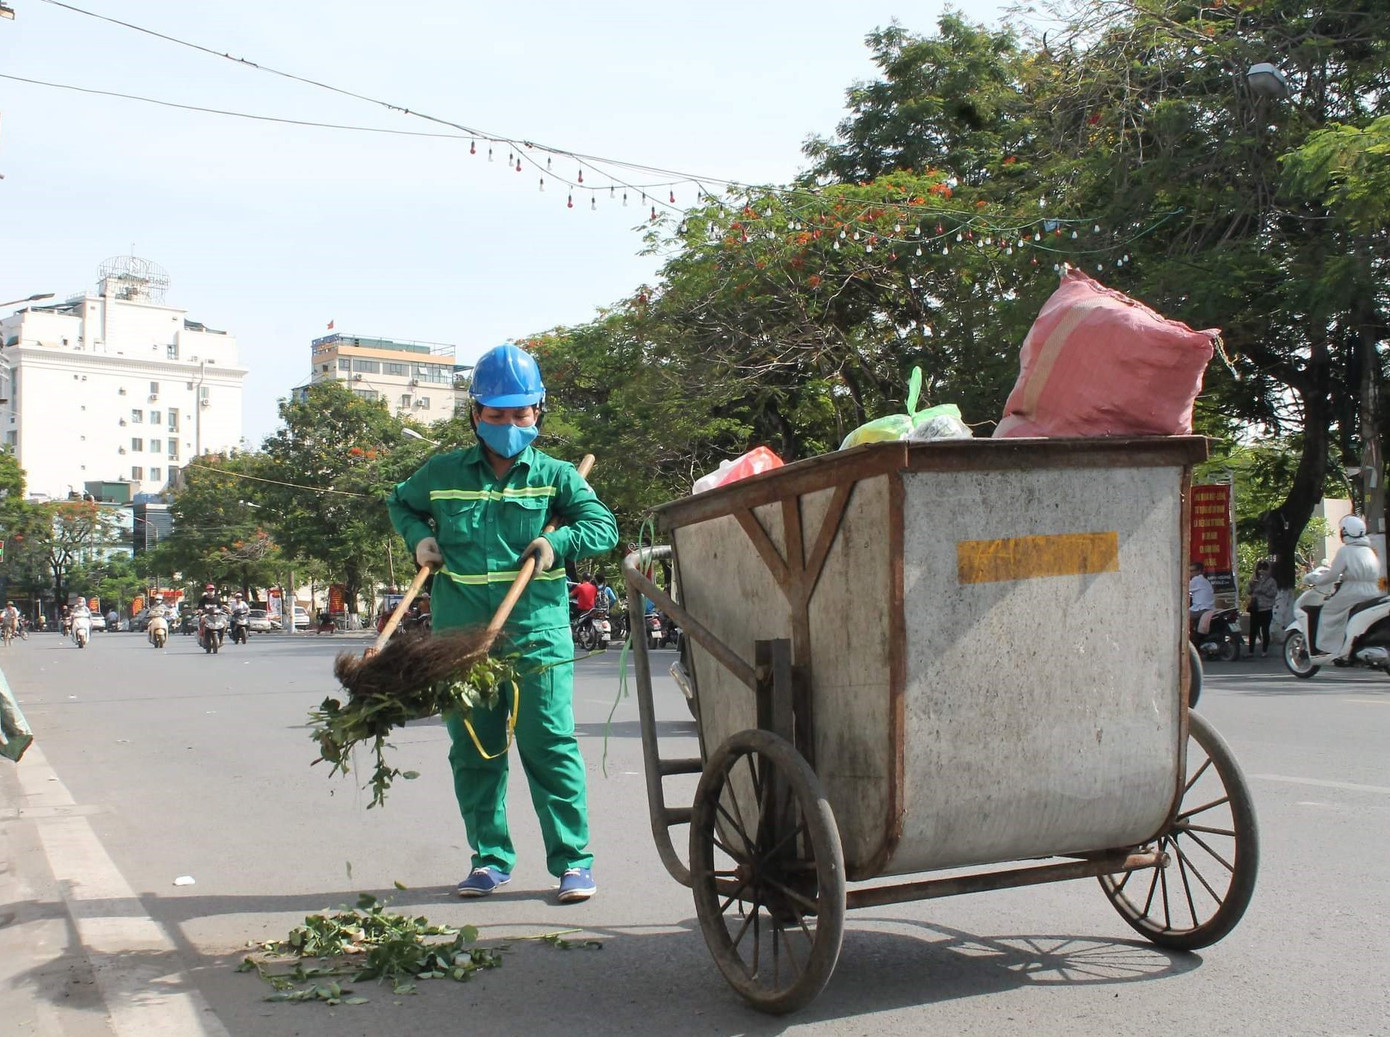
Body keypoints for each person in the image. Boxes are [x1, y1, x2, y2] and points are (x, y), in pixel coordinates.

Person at [387, 342, 618, 904]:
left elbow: (602, 526)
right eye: (497, 414)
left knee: (549, 745)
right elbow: (402, 503)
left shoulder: (558, 476)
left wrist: (556, 540)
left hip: (537, 634)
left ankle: (573, 863)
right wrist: (420, 540)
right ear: (476, 414)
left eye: (521, 414)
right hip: (459, 639)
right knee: (474, 748)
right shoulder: (440, 473)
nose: (510, 424)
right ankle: (490, 860)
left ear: (538, 413)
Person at [1305, 514, 1382, 657]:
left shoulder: (1345, 551)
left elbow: (1332, 576)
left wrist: (1314, 579)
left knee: (1328, 611)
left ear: (1346, 532)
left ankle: (1327, 648)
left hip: (1352, 591)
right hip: (1373, 591)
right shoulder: (1369, 551)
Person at [1245, 559, 1278, 658]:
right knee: (1253, 631)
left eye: (1264, 568)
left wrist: (1262, 589)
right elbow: (1248, 591)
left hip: (1266, 608)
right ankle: (1251, 651)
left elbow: (1273, 593)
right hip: (1255, 608)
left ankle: (1264, 651)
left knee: (1265, 630)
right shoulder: (1254, 579)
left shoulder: (1271, 581)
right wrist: (1251, 585)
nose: (1262, 571)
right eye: (1260, 568)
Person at [1189, 561, 1216, 634]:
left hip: (1200, 610)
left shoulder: (1197, 579)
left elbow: (1182, 588)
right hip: (1208, 609)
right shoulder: (1205, 581)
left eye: (1192, 571)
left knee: (1179, 616)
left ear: (1199, 571)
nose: (1190, 573)